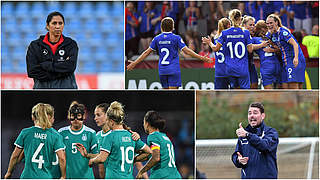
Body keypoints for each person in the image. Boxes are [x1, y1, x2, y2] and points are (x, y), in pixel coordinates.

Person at [127, 17, 212, 89]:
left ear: (161, 27)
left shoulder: (157, 39)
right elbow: (187, 51)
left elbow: (146, 53)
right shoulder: (176, 38)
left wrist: (135, 63)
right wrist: (201, 57)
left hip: (162, 70)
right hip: (173, 69)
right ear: (173, 27)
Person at [76, 103, 148, 179]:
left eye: (98, 115)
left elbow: (134, 159)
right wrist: (87, 155)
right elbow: (102, 156)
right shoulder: (97, 136)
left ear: (107, 115)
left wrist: (146, 177)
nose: (95, 118)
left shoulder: (118, 134)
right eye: (95, 115)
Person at [5, 103, 66, 179]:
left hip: (27, 176)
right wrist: (63, 176)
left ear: (33, 117)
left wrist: (9, 172)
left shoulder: (25, 132)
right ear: (50, 117)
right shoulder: (55, 136)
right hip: (45, 177)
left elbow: (15, 156)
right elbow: (62, 158)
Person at [202, 9, 253, 89]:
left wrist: (209, 43)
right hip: (243, 68)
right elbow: (250, 50)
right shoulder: (246, 32)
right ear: (240, 18)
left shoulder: (224, 33)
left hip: (230, 69)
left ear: (230, 19)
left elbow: (215, 49)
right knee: (244, 93)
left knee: (233, 93)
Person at [26, 11, 78, 89]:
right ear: (47, 25)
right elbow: (32, 71)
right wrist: (61, 69)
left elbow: (70, 67)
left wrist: (46, 65)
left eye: (60, 23)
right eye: (54, 23)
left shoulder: (71, 44)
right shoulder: (35, 46)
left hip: (66, 90)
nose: (58, 26)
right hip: (42, 89)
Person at [232, 102, 279, 179]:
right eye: (249, 113)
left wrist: (248, 135)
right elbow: (236, 154)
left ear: (262, 116)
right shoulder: (243, 135)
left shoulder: (271, 132)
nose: (252, 115)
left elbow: (265, 146)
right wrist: (238, 160)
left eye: (255, 113)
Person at [136, 110, 182, 179]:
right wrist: (134, 159)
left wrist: (142, 171)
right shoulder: (165, 137)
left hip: (162, 176)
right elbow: (150, 156)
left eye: (144, 122)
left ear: (147, 123)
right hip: (175, 176)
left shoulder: (153, 136)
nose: (143, 125)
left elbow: (156, 158)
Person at [58, 102, 98, 179]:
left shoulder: (91, 133)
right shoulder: (61, 132)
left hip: (86, 177)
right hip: (68, 177)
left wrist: (87, 155)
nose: (76, 119)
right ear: (69, 116)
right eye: (73, 115)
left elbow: (97, 156)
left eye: (78, 116)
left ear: (83, 116)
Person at [266, 14, 306, 89]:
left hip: (293, 59)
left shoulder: (283, 32)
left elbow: (295, 44)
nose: (269, 25)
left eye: (271, 23)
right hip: (286, 60)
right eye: (267, 23)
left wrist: (296, 58)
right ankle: (297, 100)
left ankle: (296, 100)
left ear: (276, 22)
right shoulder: (272, 34)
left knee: (293, 85)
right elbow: (280, 47)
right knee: (290, 85)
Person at [252, 20, 281, 89]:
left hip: (266, 66)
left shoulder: (254, 39)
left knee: (268, 93)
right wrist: (273, 50)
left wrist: (260, 45)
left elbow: (248, 47)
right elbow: (281, 50)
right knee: (280, 92)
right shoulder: (272, 38)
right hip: (277, 65)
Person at [212, 18, 231, 89]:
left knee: (219, 97)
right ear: (228, 25)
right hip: (230, 70)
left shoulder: (216, 38)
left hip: (219, 71)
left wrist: (209, 43)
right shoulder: (230, 38)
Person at [242, 15, 258, 89]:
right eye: (250, 25)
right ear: (244, 25)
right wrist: (261, 45)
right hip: (241, 66)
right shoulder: (240, 36)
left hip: (251, 65)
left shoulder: (253, 37)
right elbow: (249, 48)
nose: (252, 27)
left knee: (254, 85)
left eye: (253, 25)